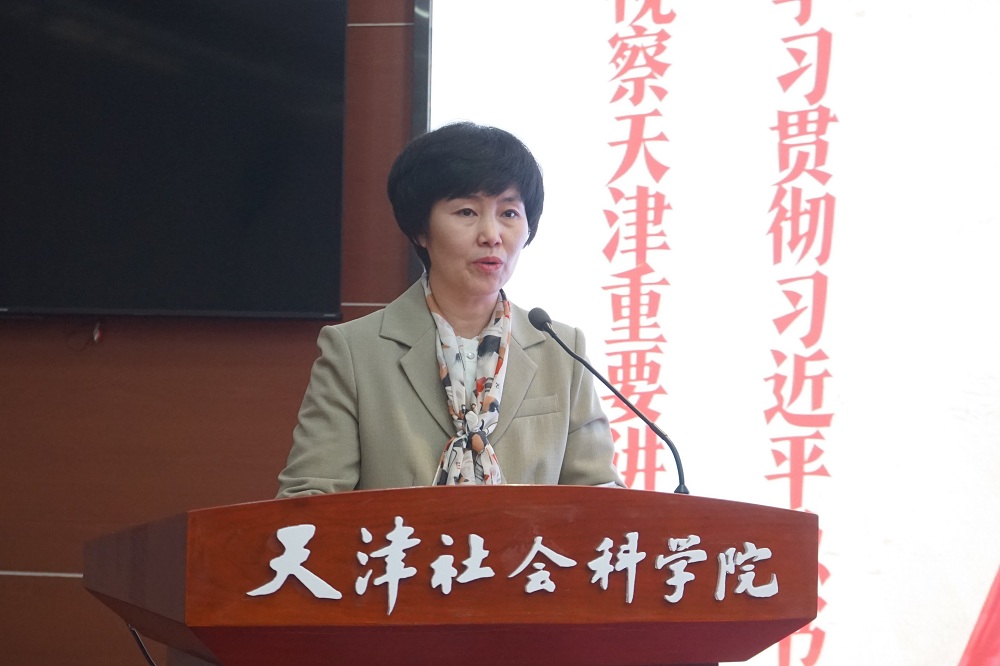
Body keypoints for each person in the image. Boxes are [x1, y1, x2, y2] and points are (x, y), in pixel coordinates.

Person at [276, 122, 622, 497]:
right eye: (467, 212)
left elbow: (601, 496)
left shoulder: (562, 350)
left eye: (509, 213)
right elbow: (309, 499)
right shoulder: (355, 351)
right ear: (420, 230)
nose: (492, 235)